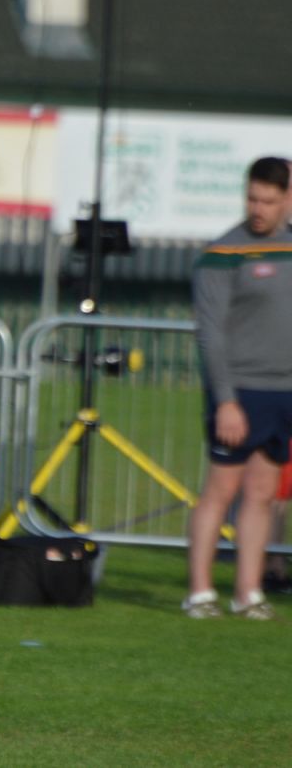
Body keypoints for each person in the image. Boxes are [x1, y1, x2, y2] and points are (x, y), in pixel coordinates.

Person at [184, 156, 292, 620]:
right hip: (240, 390)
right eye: (252, 198)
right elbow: (211, 332)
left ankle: (248, 592)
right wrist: (226, 400)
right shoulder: (223, 253)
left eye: (268, 200)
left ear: (287, 200)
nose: (258, 208)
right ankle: (200, 592)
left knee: (264, 495)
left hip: (284, 392)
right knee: (220, 492)